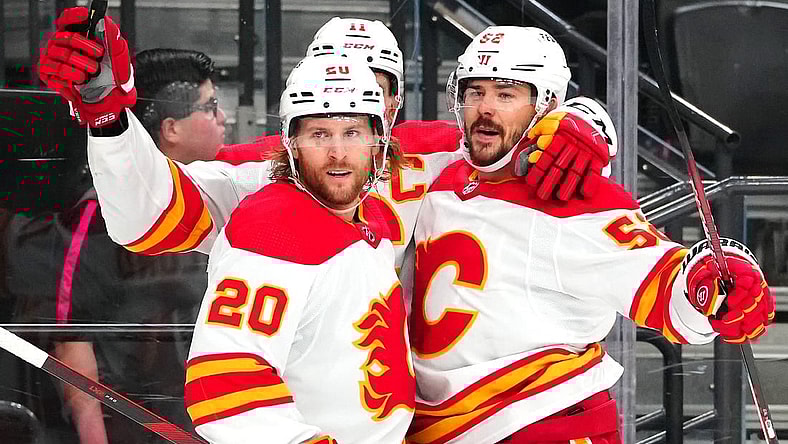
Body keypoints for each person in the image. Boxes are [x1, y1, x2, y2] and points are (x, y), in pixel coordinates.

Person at [405, 26, 775, 443]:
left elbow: (663, 279)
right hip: (442, 429)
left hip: (540, 425)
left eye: (506, 94)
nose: (485, 108)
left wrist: (713, 278)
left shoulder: (572, 196)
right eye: (475, 92)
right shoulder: (443, 172)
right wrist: (589, 115)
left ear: (546, 104)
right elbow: (364, 140)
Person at [186, 54, 415, 441]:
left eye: (352, 132)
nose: (338, 153)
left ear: (378, 142)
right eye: (320, 135)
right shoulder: (273, 229)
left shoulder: (370, 217)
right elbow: (223, 385)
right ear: (291, 143)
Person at [32, 47, 226, 444]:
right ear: (171, 128)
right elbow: (72, 340)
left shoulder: (224, 202)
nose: (224, 118)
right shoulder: (98, 215)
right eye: (210, 107)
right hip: (134, 424)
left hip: (207, 420)